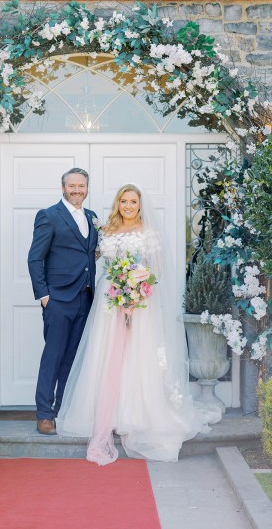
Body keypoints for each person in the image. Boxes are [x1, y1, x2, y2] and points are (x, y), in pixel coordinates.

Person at [56, 183, 219, 464]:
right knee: (106, 355)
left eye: (133, 201)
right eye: (123, 201)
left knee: (137, 355)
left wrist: (135, 290)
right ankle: (109, 413)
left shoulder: (148, 232)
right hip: (109, 300)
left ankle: (135, 415)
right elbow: (96, 261)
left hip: (140, 300)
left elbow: (156, 269)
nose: (128, 206)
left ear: (140, 205)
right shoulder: (105, 230)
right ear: (117, 203)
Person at [28, 168, 98, 435]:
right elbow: (35, 257)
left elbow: (89, 253)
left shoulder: (92, 217)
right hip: (58, 299)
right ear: (63, 188)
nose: (77, 190)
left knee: (73, 358)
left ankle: (63, 411)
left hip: (86, 298)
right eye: (72, 186)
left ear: (87, 188)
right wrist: (44, 295)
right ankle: (44, 414)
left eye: (81, 186)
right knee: (53, 356)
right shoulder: (48, 216)